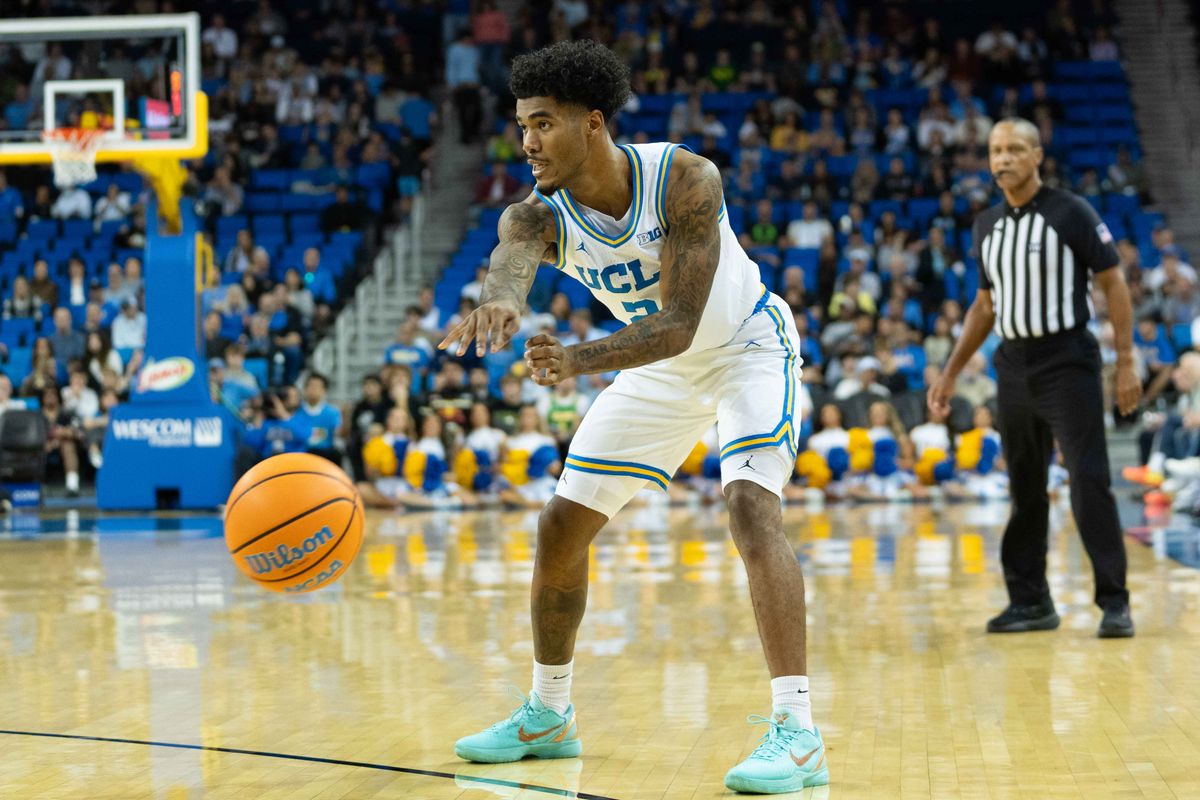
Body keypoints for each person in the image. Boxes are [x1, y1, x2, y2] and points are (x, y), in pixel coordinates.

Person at [439, 40, 825, 793]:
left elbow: (680, 321)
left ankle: (800, 732)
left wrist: (575, 361)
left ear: (592, 123)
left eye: (543, 123)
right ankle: (549, 714)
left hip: (746, 347)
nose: (527, 142)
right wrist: (501, 305)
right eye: (522, 125)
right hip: (655, 372)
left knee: (749, 507)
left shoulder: (683, 179)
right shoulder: (532, 218)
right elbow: (510, 272)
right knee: (560, 526)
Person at [927, 118, 1141, 639]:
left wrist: (1127, 360)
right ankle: (1030, 602)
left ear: (1037, 155)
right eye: (996, 150)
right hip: (1013, 365)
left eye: (1015, 149)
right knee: (1024, 486)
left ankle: (1114, 602)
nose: (1003, 159)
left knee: (1089, 481)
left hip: (1067, 360)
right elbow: (984, 306)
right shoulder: (985, 225)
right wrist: (951, 372)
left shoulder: (1072, 212)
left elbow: (1113, 283)